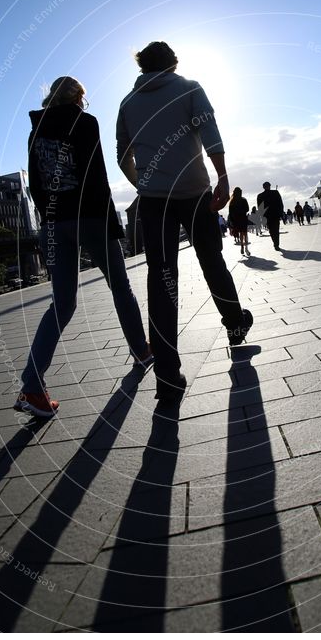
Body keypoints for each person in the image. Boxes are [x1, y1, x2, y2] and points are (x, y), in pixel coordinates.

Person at [116, 41, 253, 404]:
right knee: (212, 261)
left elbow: (122, 155)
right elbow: (210, 133)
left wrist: (143, 184)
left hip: (154, 202)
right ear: (173, 63)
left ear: (142, 65)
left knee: (162, 283)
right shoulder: (189, 88)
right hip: (195, 194)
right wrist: (223, 177)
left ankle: (167, 375)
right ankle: (235, 323)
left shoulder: (127, 103)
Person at [16, 77, 151, 418]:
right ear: (78, 97)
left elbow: (35, 183)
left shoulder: (35, 131)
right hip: (90, 216)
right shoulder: (85, 122)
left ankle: (32, 386)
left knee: (61, 304)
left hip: (53, 224)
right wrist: (110, 223)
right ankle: (141, 351)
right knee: (120, 286)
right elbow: (95, 176)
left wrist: (49, 220)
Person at [257, 182, 284, 250]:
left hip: (267, 216)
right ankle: (276, 244)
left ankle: (275, 243)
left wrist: (262, 217)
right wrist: (281, 213)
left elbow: (260, 208)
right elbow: (280, 203)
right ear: (270, 186)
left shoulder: (260, 196)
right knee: (276, 230)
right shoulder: (275, 192)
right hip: (275, 214)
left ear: (263, 187)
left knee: (271, 230)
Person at [228, 187, 250, 256]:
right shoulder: (243, 200)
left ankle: (242, 246)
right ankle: (246, 248)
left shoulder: (232, 201)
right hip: (243, 218)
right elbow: (247, 209)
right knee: (245, 234)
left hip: (236, 220)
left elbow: (230, 213)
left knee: (240, 234)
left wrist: (232, 222)